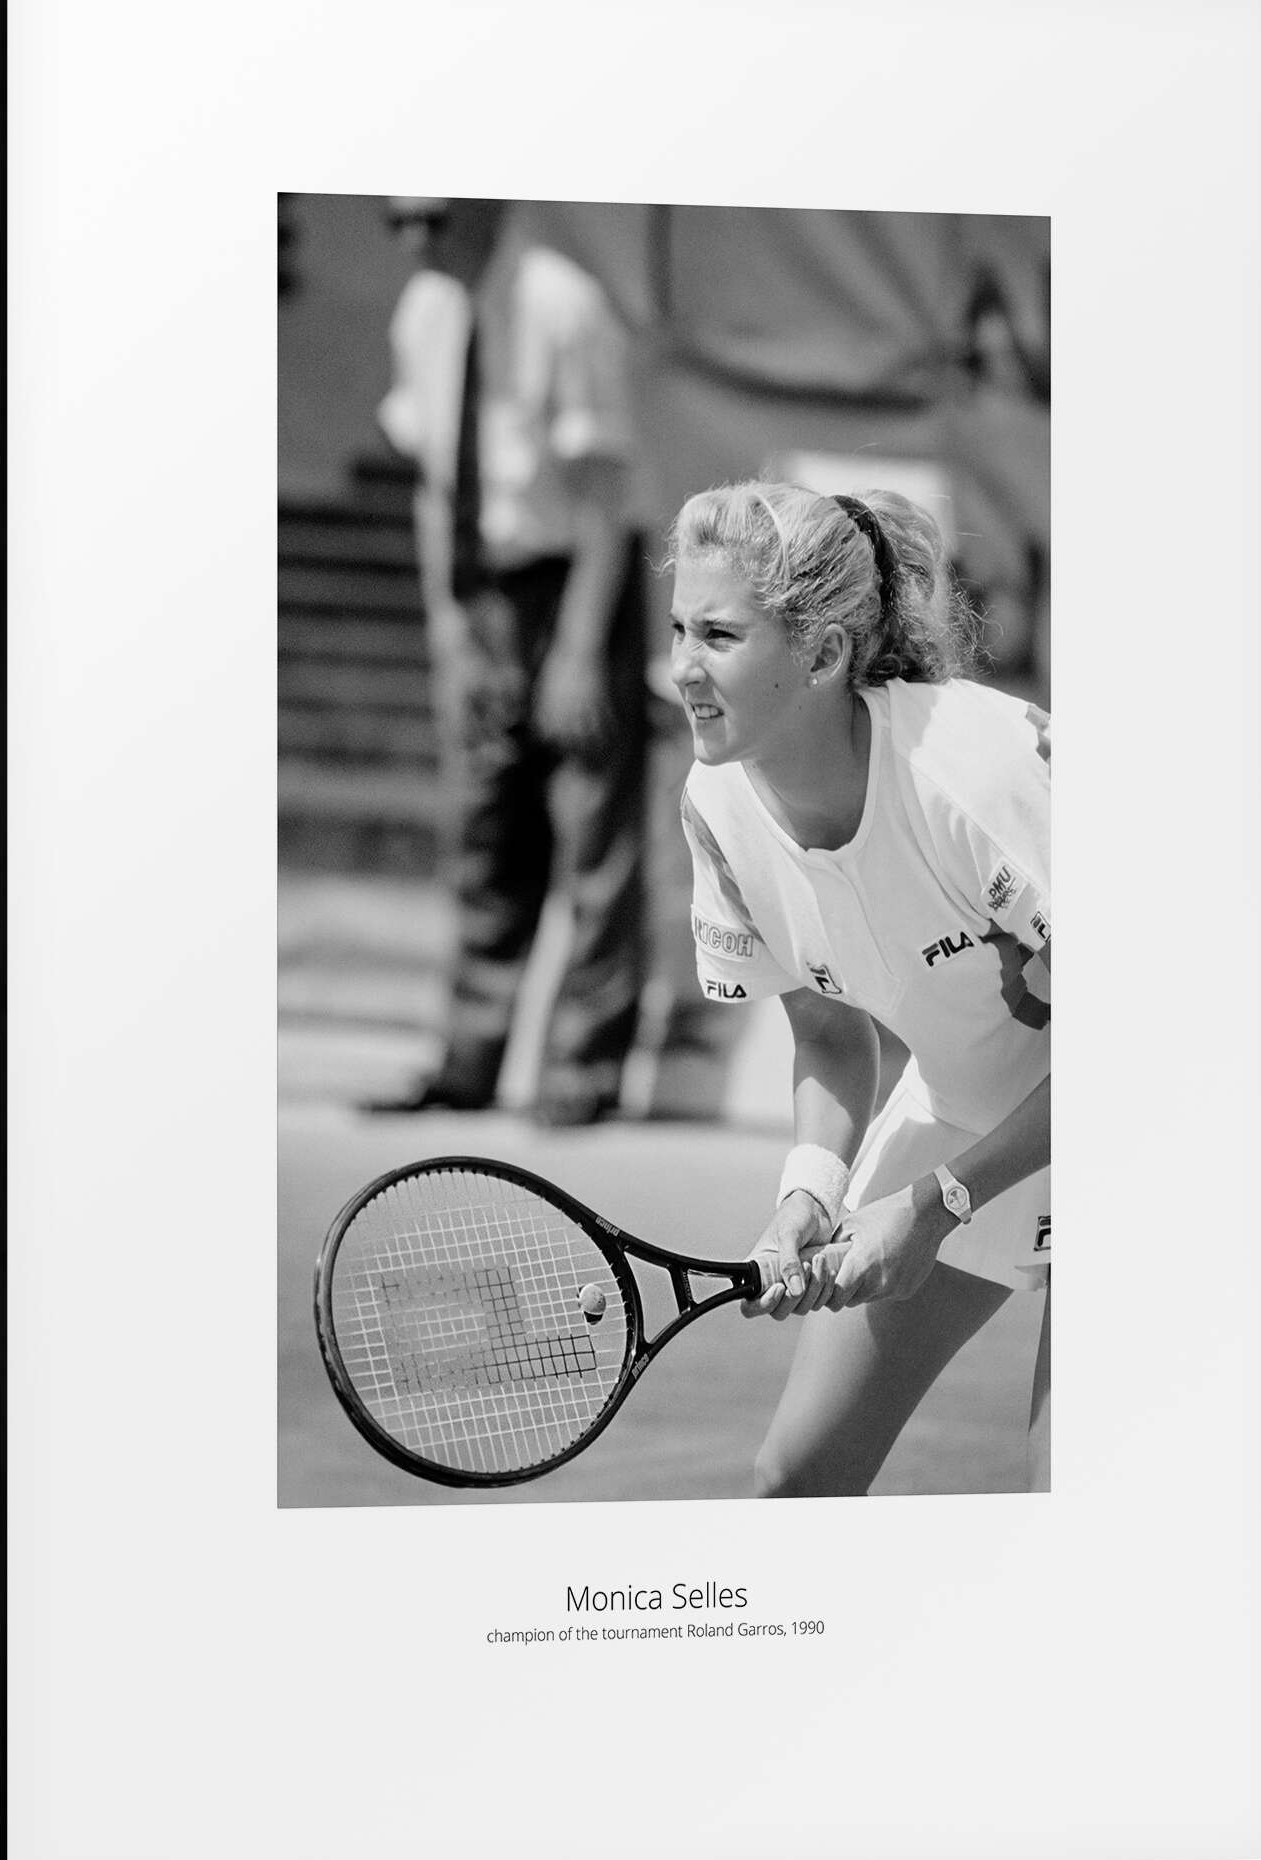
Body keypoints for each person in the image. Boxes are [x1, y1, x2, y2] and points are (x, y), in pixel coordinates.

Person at [669, 481, 1051, 1493]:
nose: (682, 668)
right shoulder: (715, 805)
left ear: (825, 654)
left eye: (718, 634)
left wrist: (939, 1204)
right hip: (968, 1106)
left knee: (1081, 1500)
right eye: (678, 629)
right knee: (797, 1481)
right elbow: (832, 1034)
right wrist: (811, 1193)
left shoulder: (971, 773)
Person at [366, 198, 647, 1126]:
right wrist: (449, 628)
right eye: (397, 221)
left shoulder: (564, 305)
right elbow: (432, 486)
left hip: (573, 581)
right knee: (485, 827)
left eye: (433, 217)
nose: (417, 239)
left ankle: (583, 1065)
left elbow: (604, 492)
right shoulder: (424, 313)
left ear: (486, 204)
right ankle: (468, 1057)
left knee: (591, 827)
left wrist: (578, 648)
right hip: (483, 585)